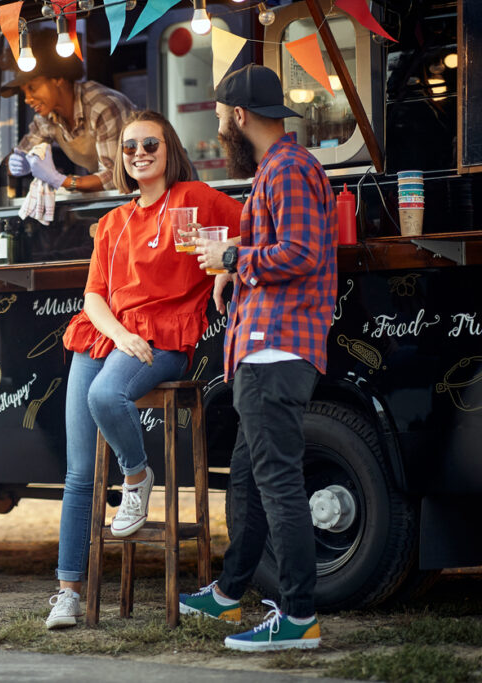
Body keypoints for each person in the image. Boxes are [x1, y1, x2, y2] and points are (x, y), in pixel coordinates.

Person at [45, 110, 242, 629]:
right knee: (79, 473)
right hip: (109, 335)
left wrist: (223, 268)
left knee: (106, 398)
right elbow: (93, 297)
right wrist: (120, 335)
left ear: (168, 147)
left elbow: (253, 227)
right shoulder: (113, 222)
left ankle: (137, 475)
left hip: (167, 337)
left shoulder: (193, 200)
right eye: (129, 147)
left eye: (149, 143)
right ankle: (68, 591)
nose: (138, 153)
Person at [183, 64, 338, 652]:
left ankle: (298, 617)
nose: (220, 124)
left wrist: (233, 261)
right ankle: (228, 595)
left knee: (277, 485)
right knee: (248, 481)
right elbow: (280, 246)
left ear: (239, 116)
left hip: (276, 348)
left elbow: (298, 252)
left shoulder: (290, 169)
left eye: (221, 115)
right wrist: (236, 262)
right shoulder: (281, 168)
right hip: (261, 346)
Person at [1, 29, 135, 194]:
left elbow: (115, 176)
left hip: (139, 192)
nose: (27, 99)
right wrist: (16, 162)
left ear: (58, 78)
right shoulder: (46, 119)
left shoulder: (102, 107)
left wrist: (60, 181)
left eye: (32, 88)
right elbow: (19, 154)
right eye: (24, 92)